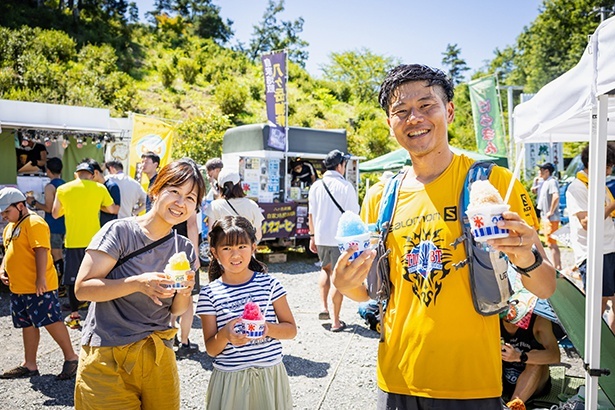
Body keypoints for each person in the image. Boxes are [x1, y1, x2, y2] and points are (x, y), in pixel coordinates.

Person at [333, 64, 556, 409]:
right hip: (397, 379)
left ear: (449, 111)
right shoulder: (380, 197)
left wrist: (526, 255)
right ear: (389, 124)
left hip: (472, 384)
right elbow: (365, 292)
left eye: (426, 105)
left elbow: (545, 288)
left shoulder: (492, 183)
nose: (414, 118)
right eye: (401, 111)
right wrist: (344, 283)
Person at [73, 158, 206, 410]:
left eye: (190, 198)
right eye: (174, 191)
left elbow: (176, 311)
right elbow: (82, 288)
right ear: (156, 190)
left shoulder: (184, 249)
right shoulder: (119, 232)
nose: (180, 203)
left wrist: (185, 292)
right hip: (108, 353)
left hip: (158, 353)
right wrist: (137, 283)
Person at [196, 215, 296, 409]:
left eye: (242, 247)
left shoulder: (270, 284)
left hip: (269, 375)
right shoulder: (209, 293)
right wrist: (225, 335)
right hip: (230, 378)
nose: (235, 255)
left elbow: (291, 330)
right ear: (215, 253)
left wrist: (266, 329)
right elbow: (211, 348)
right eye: (227, 248)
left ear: (253, 247)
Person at [0, 187, 79, 380]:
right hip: (19, 288)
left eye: (6, 211)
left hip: (38, 287)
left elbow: (42, 250)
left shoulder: (34, 222)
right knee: (27, 324)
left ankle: (72, 358)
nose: (3, 216)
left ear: (20, 206)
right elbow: (8, 250)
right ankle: (30, 364)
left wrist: (40, 278)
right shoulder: (11, 227)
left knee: (51, 321)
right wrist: (2, 268)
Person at [52, 160, 118, 329]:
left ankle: (74, 315)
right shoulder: (100, 188)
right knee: (95, 277)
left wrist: (71, 208)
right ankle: (94, 314)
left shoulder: (63, 189)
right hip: (94, 241)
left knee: (72, 278)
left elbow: (55, 213)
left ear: (76, 174)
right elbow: (112, 209)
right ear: (92, 174)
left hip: (73, 240)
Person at [308, 149, 360, 332]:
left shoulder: (316, 186)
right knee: (338, 276)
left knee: (325, 269)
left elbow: (311, 214)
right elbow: (354, 215)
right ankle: (336, 321)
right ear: (340, 165)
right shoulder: (346, 186)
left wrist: (312, 236)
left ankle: (323, 308)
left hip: (321, 236)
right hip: (340, 238)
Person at [566, 143, 615, 333]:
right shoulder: (577, 187)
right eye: (608, 166)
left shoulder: (599, 185)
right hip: (594, 252)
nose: (610, 171)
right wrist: (611, 206)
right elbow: (587, 223)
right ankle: (591, 346)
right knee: (598, 302)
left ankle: (610, 344)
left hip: (610, 247)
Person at [500, 313, 561, 410]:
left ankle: (513, 406)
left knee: (536, 357)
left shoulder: (539, 320)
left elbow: (555, 356)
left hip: (534, 382)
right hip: (502, 381)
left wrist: (519, 356)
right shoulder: (492, 319)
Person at [26, 157, 66, 289]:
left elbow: (49, 208)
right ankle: (60, 285)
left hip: (53, 224)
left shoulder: (50, 186)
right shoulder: (64, 184)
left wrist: (32, 202)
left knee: (56, 255)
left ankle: (59, 286)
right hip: (63, 223)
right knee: (58, 254)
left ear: (48, 170)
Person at [206, 169, 265, 243]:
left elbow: (210, 236)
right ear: (239, 184)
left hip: (223, 251)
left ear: (220, 186)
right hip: (245, 251)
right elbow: (258, 235)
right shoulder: (252, 205)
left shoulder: (214, 206)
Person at [171, 212, 201, 357]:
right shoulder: (189, 195)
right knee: (187, 298)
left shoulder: (160, 193)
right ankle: (184, 342)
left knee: (168, 296)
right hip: (184, 252)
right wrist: (195, 253)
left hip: (165, 248)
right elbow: (192, 224)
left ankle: (170, 337)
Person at [536, 163, 561, 270]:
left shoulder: (552, 181)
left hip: (551, 217)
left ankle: (557, 267)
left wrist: (551, 211)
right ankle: (557, 266)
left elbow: (556, 196)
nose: (539, 172)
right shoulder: (546, 182)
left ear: (547, 171)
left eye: (541, 170)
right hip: (547, 217)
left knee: (552, 244)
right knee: (550, 243)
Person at [90, 159, 121, 227]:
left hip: (108, 228)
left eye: (89, 176)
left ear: (96, 173)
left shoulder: (112, 186)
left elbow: (115, 210)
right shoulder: (92, 188)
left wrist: (97, 206)